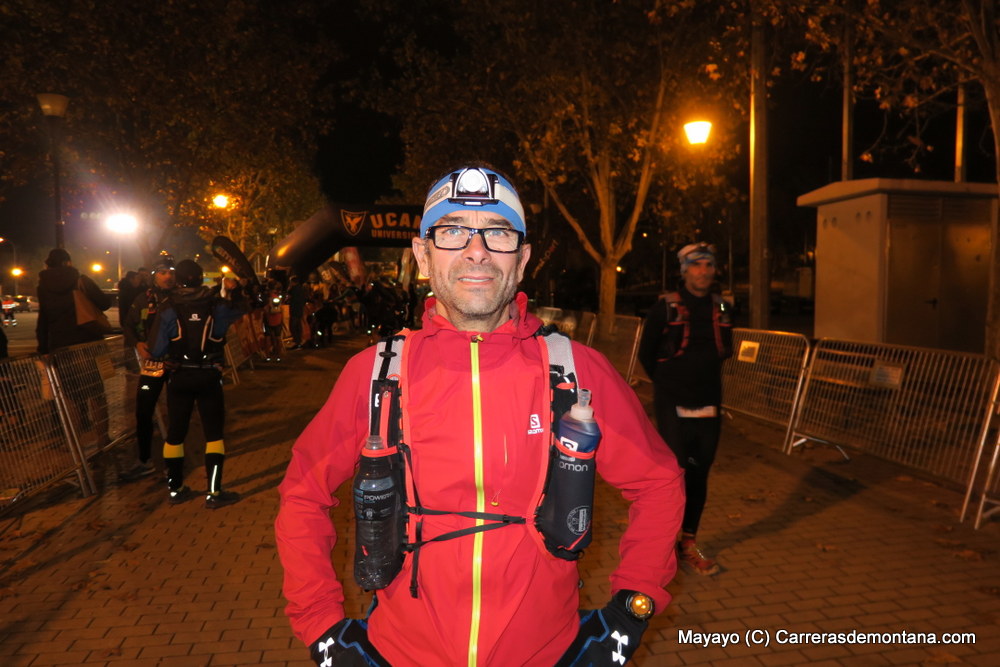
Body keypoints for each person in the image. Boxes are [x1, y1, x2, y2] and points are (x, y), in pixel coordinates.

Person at [275, 165, 684, 666]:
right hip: (402, 654)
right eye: (452, 232)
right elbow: (303, 493)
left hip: (547, 655)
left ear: (523, 258)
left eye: (498, 233)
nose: (477, 251)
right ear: (423, 254)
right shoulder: (375, 374)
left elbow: (658, 483)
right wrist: (321, 627)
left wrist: (632, 609)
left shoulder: (577, 371)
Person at [637, 242, 733, 576]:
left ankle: (688, 543)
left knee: (699, 473)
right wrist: (668, 385)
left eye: (708, 265)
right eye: (696, 265)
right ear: (684, 270)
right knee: (673, 474)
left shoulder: (723, 306)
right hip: (672, 401)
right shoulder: (665, 308)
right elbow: (646, 353)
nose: (703, 271)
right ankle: (662, 544)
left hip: (709, 402)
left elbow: (726, 349)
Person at [148, 259, 247, 509]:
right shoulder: (216, 305)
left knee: (175, 434)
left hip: (179, 377)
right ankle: (214, 493)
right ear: (201, 277)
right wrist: (236, 290)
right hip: (209, 375)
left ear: (177, 279)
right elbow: (242, 309)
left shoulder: (168, 306)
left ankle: (175, 490)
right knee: (213, 435)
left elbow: (156, 348)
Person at [36, 248, 114, 444]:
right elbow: (104, 303)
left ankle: (75, 445)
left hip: (61, 345)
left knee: (70, 397)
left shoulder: (43, 286)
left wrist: (43, 349)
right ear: (68, 262)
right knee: (96, 394)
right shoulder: (80, 280)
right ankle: (103, 439)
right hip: (88, 342)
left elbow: (43, 319)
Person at [119, 254, 177, 482]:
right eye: (163, 273)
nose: (168, 277)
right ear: (154, 276)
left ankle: (176, 462)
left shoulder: (182, 298)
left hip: (177, 364)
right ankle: (144, 460)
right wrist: (137, 343)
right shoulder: (143, 299)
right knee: (143, 410)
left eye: (171, 272)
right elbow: (128, 325)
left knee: (177, 412)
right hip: (153, 363)